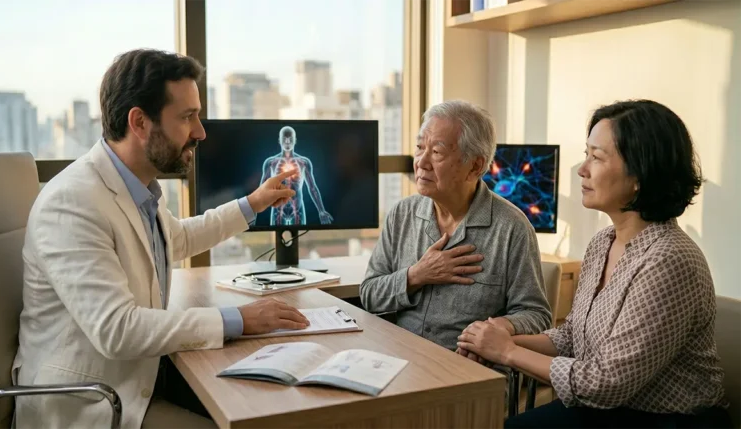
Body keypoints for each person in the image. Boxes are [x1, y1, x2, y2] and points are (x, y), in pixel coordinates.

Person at [12, 49, 311, 429]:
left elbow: (178, 238)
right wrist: (238, 319)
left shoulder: (139, 187)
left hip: (139, 378)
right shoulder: (72, 203)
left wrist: (254, 203)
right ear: (139, 122)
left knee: (263, 409)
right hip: (92, 402)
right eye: (188, 117)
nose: (201, 132)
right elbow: (117, 330)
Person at [456, 99, 733, 429]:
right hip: (611, 409)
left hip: (669, 421)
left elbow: (606, 383)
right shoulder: (603, 243)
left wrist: (507, 353)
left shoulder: (669, 260)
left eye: (596, 157)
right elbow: (573, 338)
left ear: (640, 176)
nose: (581, 169)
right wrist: (495, 340)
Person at [359, 100, 552, 353]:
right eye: (419, 148)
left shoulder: (511, 228)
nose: (421, 162)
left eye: (437, 152)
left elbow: (536, 315)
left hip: (468, 369)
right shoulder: (401, 214)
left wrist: (493, 331)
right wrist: (415, 276)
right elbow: (369, 294)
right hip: (401, 358)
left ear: (475, 166)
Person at [259, 125, 333, 226]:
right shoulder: (271, 162)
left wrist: (321, 210)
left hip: (297, 208)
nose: (288, 142)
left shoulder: (304, 162)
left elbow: (312, 188)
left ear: (295, 140)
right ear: (279, 140)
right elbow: (261, 190)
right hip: (278, 209)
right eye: (285, 139)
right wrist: (253, 215)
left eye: (290, 139)